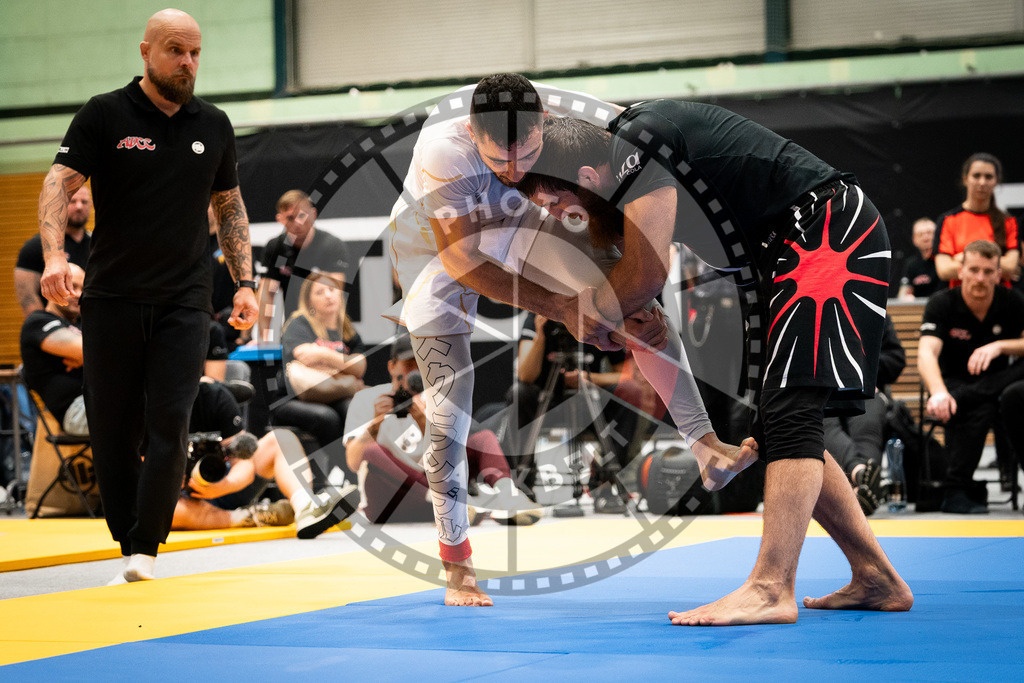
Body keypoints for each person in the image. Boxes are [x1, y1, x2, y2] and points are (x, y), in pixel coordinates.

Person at [521, 105, 913, 625]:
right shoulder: (618, 168)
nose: (555, 216)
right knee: (776, 422)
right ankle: (875, 575)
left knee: (791, 407)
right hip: (783, 255)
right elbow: (638, 294)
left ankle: (772, 587)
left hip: (826, 232)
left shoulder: (638, 143)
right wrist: (626, 313)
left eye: (556, 203)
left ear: (587, 178)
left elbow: (643, 277)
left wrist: (596, 313)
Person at [386, 73, 755, 606]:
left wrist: (623, 280)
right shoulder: (443, 149)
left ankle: (706, 448)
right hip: (434, 248)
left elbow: (642, 154)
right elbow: (463, 261)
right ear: (472, 132)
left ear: (546, 124)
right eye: (498, 162)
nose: (514, 171)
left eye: (528, 155)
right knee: (450, 410)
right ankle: (457, 561)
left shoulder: (574, 113)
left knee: (637, 301)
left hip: (514, 223)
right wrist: (561, 308)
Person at [37, 9, 258, 583]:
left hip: (184, 301)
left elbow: (230, 207)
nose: (187, 63)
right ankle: (125, 537)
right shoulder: (105, 113)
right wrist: (56, 256)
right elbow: (58, 183)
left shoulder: (214, 124)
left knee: (171, 421)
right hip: (111, 298)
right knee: (114, 428)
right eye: (175, 51)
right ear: (145, 51)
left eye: (195, 53)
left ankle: (145, 550)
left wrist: (246, 284)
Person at [343, 336, 539, 526]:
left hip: (433, 499)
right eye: (409, 364)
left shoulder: (439, 399)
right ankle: (449, 503)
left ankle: (508, 495)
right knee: (372, 451)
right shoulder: (367, 398)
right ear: (392, 366)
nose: (415, 371)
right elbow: (353, 463)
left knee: (481, 438)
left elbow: (451, 457)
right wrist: (374, 426)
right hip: (388, 502)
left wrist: (424, 420)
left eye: (422, 363)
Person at [917, 240, 1024, 514]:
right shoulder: (941, 303)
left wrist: (999, 346)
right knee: (981, 405)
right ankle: (956, 488)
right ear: (960, 270)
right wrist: (939, 391)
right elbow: (927, 353)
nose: (980, 278)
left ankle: (957, 489)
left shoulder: (1013, 301)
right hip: (954, 384)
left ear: (999, 274)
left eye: (988, 271)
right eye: (974, 269)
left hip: (1000, 382)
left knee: (1000, 396)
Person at [175, 381, 359, 537]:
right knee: (164, 513)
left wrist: (224, 485)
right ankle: (247, 517)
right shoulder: (150, 402)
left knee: (280, 439)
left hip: (224, 485)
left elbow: (244, 462)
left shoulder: (214, 395)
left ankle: (305, 506)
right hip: (175, 499)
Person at [512, 312, 642, 512]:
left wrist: (589, 379)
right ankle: (523, 487)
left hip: (589, 401)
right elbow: (525, 375)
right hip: (547, 403)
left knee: (631, 392)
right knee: (519, 392)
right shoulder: (538, 316)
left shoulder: (599, 318)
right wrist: (540, 335)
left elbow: (627, 376)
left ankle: (603, 483)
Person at [278, 272, 367, 480]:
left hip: (335, 395)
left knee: (352, 410)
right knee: (326, 418)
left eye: (332, 290)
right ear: (309, 301)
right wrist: (344, 364)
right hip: (294, 398)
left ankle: (359, 472)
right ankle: (344, 475)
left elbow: (361, 367)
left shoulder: (347, 330)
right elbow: (302, 355)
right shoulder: (298, 324)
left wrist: (323, 355)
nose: (328, 295)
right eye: (320, 292)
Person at [823, 315, 906, 515]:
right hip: (823, 392)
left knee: (868, 423)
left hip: (866, 390)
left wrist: (863, 371)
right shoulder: (811, 308)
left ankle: (861, 485)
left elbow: (896, 359)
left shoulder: (873, 310)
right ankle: (861, 476)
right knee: (824, 422)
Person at [253, 190, 350, 342]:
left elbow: (334, 296)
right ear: (280, 219)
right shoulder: (275, 249)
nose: (297, 223)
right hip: (293, 329)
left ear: (313, 214)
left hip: (329, 330)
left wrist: (327, 337)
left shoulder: (331, 246)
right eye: (290, 218)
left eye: (302, 216)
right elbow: (266, 295)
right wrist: (263, 338)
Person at [19, 264, 88, 435]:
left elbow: (109, 354)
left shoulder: (82, 325)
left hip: (103, 400)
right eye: (72, 286)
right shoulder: (37, 321)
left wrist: (91, 357)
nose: (79, 294)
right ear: (52, 286)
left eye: (83, 288)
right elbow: (86, 351)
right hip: (77, 411)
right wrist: (88, 356)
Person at [934, 154, 1019, 285]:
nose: (982, 182)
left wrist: (962, 258)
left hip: (1000, 300)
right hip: (959, 300)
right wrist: (996, 263)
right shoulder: (948, 220)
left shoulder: (1009, 222)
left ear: (996, 181)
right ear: (965, 179)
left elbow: (1011, 265)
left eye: (988, 177)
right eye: (976, 175)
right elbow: (944, 270)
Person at [15, 186, 92, 317]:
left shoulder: (97, 245)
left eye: (84, 202)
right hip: (55, 324)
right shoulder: (36, 246)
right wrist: (46, 325)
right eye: (72, 201)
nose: (79, 206)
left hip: (91, 326)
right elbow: (28, 297)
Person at [898, 218, 941, 300]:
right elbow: (903, 294)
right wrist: (906, 298)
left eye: (929, 233)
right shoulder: (911, 264)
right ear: (914, 240)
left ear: (937, 235)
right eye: (920, 234)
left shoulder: (945, 260)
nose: (926, 238)